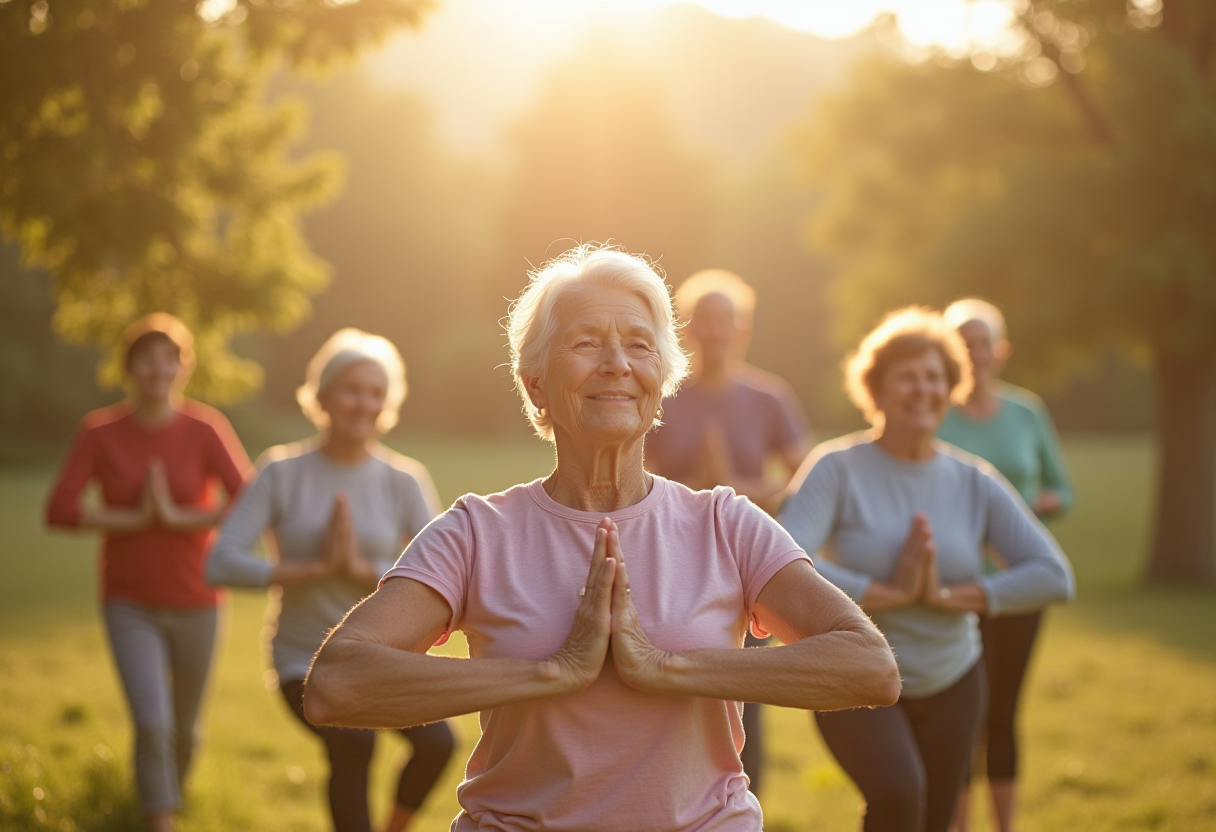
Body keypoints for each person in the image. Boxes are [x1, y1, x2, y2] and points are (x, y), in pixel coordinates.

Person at [303, 245, 901, 832]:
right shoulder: (478, 532)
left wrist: (667, 669)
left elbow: (869, 667)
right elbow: (336, 684)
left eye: (640, 345)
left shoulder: (726, 524)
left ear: (661, 381)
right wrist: (552, 672)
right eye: (586, 342)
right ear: (535, 384)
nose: (617, 362)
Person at [778, 306, 1074, 832]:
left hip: (953, 679)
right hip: (854, 674)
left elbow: (1053, 573)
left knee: (934, 821)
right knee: (897, 796)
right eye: (907, 377)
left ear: (951, 388)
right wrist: (884, 591)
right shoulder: (836, 467)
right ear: (878, 389)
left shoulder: (973, 479)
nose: (923, 389)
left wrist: (951, 595)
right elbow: (783, 556)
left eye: (935, 377)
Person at [206, 328, 455, 832]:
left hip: (385, 658)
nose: (363, 402)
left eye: (375, 392)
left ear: (388, 403)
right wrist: (310, 570)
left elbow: (441, 578)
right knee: (352, 739)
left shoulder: (404, 479)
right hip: (303, 659)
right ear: (322, 396)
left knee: (438, 743)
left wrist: (363, 569)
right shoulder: (281, 471)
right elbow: (221, 561)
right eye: (351, 389)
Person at [45, 313, 251, 832]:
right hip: (129, 600)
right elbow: (60, 509)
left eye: (169, 358)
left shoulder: (206, 428)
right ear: (129, 368)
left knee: (187, 732)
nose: (158, 369)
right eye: (146, 358)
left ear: (184, 367)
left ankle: (164, 800)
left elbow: (252, 502)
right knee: (152, 723)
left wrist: (182, 517)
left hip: (199, 599)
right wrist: (132, 518)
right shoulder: (99, 432)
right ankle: (161, 822)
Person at [645, 268, 812, 797]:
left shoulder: (769, 397)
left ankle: (741, 806)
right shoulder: (662, 397)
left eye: (726, 321)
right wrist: (694, 485)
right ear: (686, 329)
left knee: (744, 696)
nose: (715, 331)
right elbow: (628, 481)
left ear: (742, 329)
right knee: (667, 685)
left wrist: (732, 486)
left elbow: (804, 482)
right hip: (668, 561)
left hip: (743, 564)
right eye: (704, 321)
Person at [938, 299, 1074, 832]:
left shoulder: (1026, 412)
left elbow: (1063, 488)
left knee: (1002, 714)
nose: (974, 353)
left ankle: (1005, 826)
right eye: (963, 343)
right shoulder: (935, 412)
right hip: (950, 591)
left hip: (1017, 587)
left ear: (1001, 351)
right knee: (961, 717)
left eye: (983, 342)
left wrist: (1040, 505)